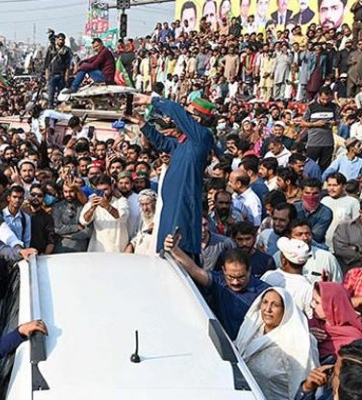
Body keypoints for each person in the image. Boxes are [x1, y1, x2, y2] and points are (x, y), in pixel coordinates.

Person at [127, 95, 216, 261]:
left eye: (186, 114)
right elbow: (163, 143)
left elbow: (175, 110)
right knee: (165, 250)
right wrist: (141, 123)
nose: (179, 119)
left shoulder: (202, 137)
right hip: (171, 204)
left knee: (180, 250)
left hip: (183, 203)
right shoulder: (184, 142)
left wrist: (150, 100)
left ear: (196, 119)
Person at [166, 234, 270, 339]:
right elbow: (194, 270)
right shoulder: (218, 282)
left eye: (241, 277)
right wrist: (174, 249)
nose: (235, 282)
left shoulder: (265, 292)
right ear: (223, 270)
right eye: (230, 277)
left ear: (249, 270)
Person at [235, 288, 318, 400]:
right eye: (265, 302)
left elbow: (305, 381)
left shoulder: (298, 341)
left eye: (275, 305)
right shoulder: (250, 329)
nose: (268, 309)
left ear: (286, 311)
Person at [309, 282, 362, 361]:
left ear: (333, 306)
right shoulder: (311, 324)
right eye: (313, 300)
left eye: (317, 303)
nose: (312, 305)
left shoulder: (353, 340)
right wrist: (308, 336)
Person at [261, 237, 314, 316]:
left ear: (283, 259)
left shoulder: (268, 276)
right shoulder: (308, 288)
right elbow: (310, 317)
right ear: (305, 261)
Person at [79, 174, 130, 252]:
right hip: (98, 249)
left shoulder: (121, 200)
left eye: (105, 189)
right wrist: (92, 208)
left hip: (118, 249)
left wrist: (107, 207)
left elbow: (123, 218)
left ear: (112, 187)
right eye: (99, 190)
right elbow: (83, 221)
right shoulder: (92, 201)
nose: (103, 193)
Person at [44, 33, 72, 107]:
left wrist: (67, 75)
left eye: (62, 40)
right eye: (60, 39)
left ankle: (59, 107)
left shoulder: (66, 50)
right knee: (51, 93)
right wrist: (47, 73)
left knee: (61, 94)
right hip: (52, 74)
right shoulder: (51, 49)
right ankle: (50, 107)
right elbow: (46, 62)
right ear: (56, 40)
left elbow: (68, 65)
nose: (61, 41)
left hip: (62, 74)